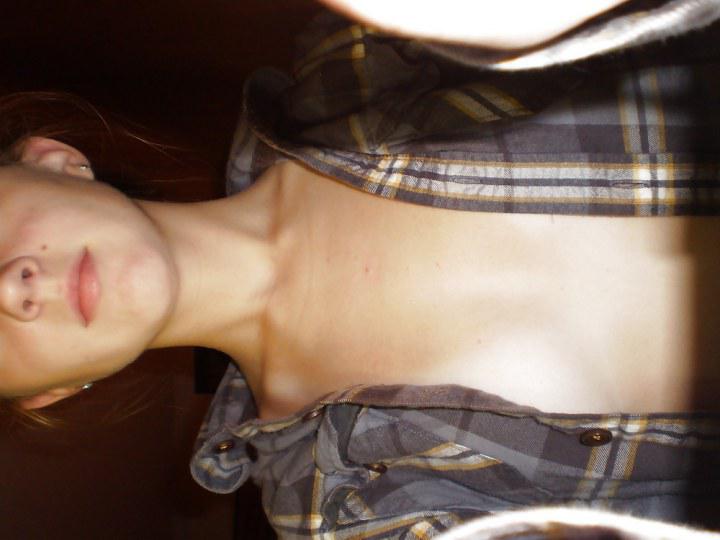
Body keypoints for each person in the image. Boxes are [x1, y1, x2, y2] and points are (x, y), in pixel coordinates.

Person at [2, 2, 720, 538]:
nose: (10, 285)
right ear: (51, 391)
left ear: (53, 161)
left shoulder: (370, 54)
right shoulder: (338, 511)